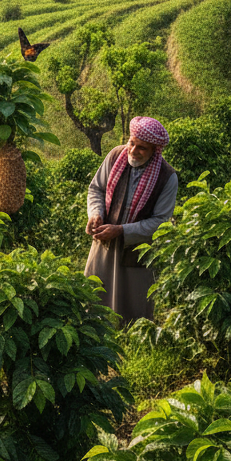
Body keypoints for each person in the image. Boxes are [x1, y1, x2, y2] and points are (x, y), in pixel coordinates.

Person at [84, 116, 178, 324]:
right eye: (132, 143)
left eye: (142, 148)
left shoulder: (167, 177)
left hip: (137, 250)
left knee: (133, 308)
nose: (134, 151)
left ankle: (130, 342)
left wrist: (121, 230)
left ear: (154, 150)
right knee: (95, 296)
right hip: (103, 243)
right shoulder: (115, 156)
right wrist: (95, 213)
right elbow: (96, 188)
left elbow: (161, 222)